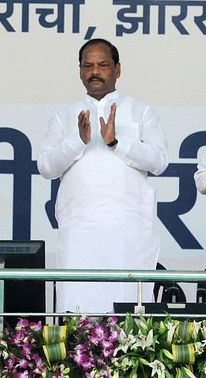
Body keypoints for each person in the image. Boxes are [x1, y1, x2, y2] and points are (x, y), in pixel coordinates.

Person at [37, 38, 169, 313]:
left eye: (103, 65)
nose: (94, 71)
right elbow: (46, 167)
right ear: (80, 71)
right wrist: (78, 140)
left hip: (128, 233)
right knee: (77, 315)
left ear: (117, 70)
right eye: (88, 66)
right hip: (79, 233)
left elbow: (159, 162)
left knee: (129, 318)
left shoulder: (141, 112)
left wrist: (116, 142)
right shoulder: (64, 117)